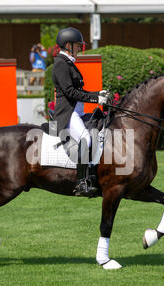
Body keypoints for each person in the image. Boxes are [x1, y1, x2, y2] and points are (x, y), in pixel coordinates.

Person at [51, 27, 110, 197]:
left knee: (99, 132)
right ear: (67, 45)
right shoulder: (61, 63)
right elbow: (70, 92)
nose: (79, 48)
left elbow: (80, 91)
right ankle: (81, 182)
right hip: (68, 113)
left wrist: (98, 94)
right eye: (77, 45)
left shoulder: (69, 63)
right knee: (86, 139)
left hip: (77, 110)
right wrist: (95, 99)